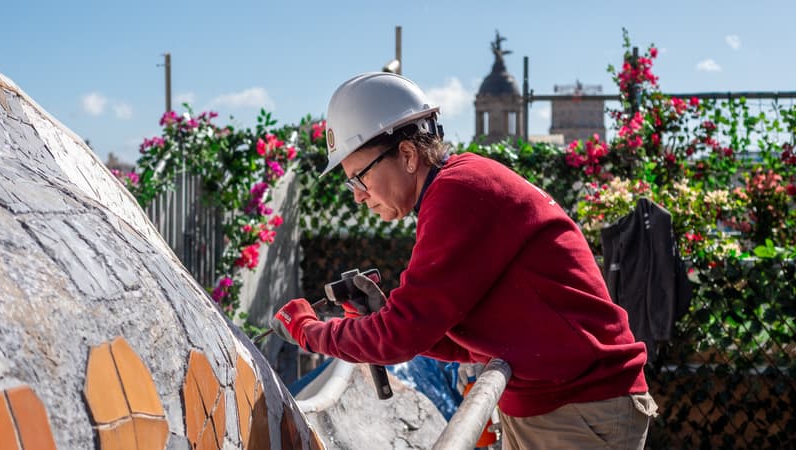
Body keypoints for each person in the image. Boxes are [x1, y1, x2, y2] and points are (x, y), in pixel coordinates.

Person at [270, 72, 658, 449]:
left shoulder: (458, 193)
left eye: (359, 177)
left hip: (577, 409)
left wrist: (309, 330)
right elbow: (450, 338)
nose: (357, 195)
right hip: (568, 403)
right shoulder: (458, 185)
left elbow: (403, 336)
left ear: (406, 154)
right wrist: (382, 323)